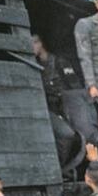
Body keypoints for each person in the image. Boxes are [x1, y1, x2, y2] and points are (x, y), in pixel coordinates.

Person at [31, 34, 82, 176]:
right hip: (49, 109)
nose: (32, 47)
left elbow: (75, 87)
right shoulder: (33, 65)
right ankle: (59, 169)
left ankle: (61, 168)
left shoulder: (59, 62)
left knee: (70, 134)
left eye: (34, 42)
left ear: (41, 44)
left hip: (67, 107)